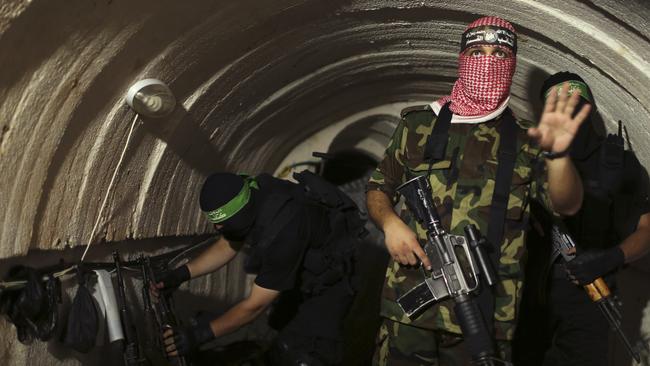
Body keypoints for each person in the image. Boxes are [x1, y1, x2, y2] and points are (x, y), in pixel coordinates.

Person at [366, 16, 590, 365]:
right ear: (462, 58)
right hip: (408, 307)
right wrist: (390, 224)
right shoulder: (419, 125)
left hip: (486, 315)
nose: (488, 61)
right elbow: (379, 187)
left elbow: (568, 204)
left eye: (500, 53)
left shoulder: (528, 139)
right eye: (477, 51)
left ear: (513, 64)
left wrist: (559, 155)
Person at [155, 170, 364, 365]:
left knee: (308, 350)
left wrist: (199, 335)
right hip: (303, 270)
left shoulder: (283, 232)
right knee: (280, 326)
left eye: (222, 222)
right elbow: (228, 244)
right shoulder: (253, 192)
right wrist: (181, 274)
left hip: (331, 282)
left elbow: (254, 307)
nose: (217, 228)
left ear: (239, 214)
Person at [513, 72, 650, 366]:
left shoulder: (619, 163)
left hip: (590, 298)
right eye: (558, 107)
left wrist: (610, 257)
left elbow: (647, 230)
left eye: (575, 104)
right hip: (529, 297)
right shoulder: (530, 158)